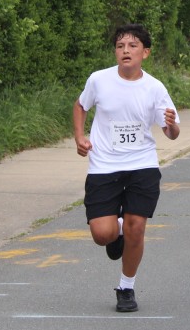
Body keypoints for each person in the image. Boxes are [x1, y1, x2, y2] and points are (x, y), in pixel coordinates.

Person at [73, 24, 181, 313]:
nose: (125, 51)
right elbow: (81, 106)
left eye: (133, 46)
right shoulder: (99, 80)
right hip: (104, 165)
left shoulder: (155, 87)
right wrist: (80, 137)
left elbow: (171, 133)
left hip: (142, 165)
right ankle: (117, 229)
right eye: (120, 46)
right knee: (102, 235)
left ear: (145, 53)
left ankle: (126, 287)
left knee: (138, 227)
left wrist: (171, 125)